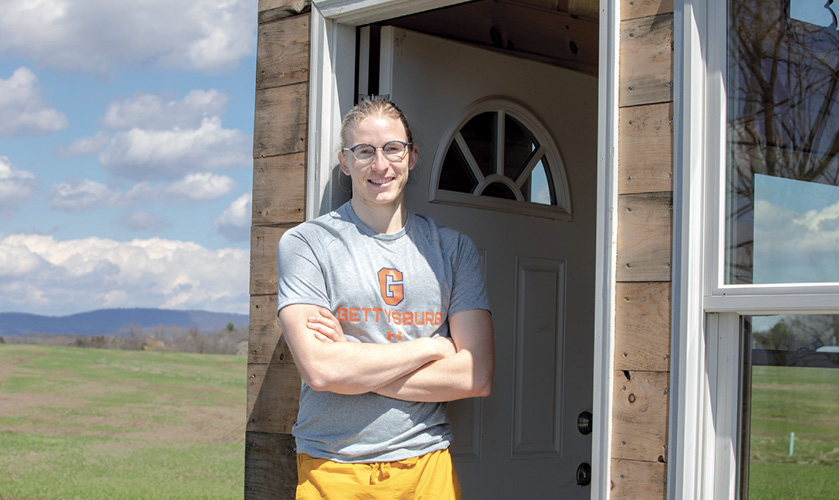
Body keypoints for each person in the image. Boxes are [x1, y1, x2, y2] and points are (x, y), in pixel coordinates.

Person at [276, 98, 495, 500]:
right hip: (333, 467)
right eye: (364, 151)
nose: (380, 165)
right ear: (345, 162)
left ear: (411, 156)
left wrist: (353, 361)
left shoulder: (453, 250)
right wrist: (432, 346)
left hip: (427, 469)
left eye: (392, 148)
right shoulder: (306, 244)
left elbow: (474, 376)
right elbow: (322, 372)